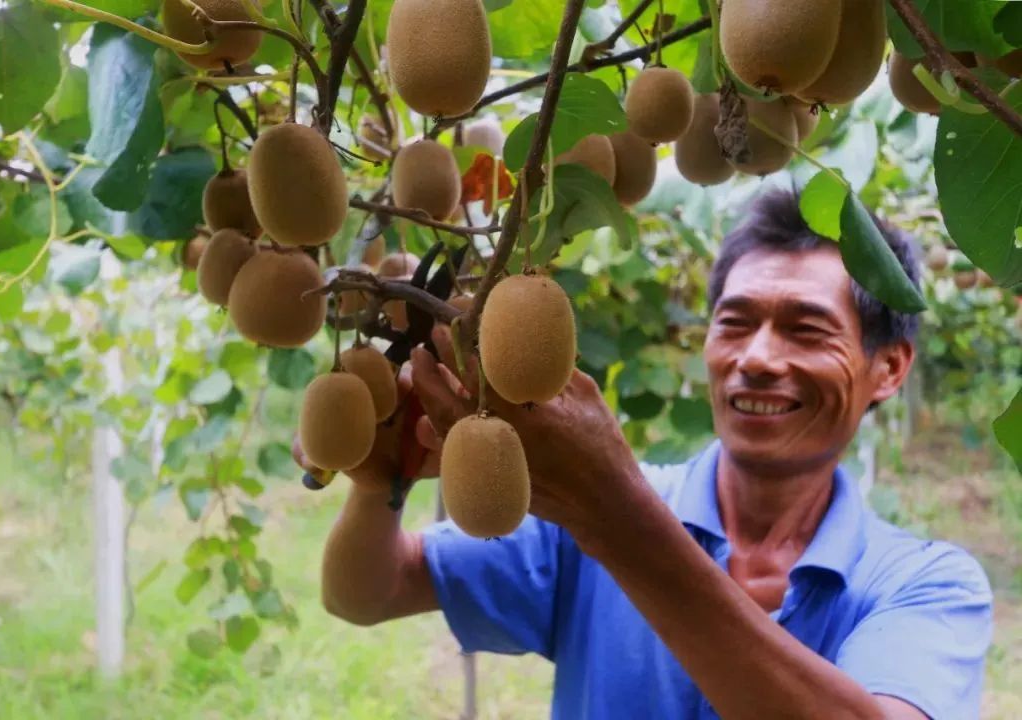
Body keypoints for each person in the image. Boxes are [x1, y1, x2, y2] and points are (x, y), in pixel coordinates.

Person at [312, 188, 993, 720]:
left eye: (805, 329)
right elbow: (368, 594)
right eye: (735, 323)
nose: (755, 358)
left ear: (890, 369)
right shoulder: (571, 524)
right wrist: (381, 484)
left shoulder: (925, 585)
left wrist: (611, 509)